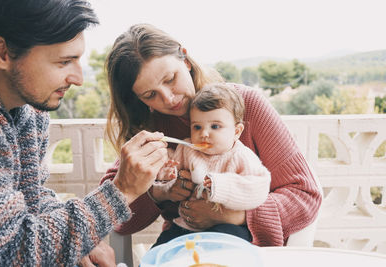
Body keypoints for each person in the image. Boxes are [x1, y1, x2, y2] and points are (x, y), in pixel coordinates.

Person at [101, 23, 322, 247]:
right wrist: (159, 194)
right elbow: (115, 220)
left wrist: (233, 215)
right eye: (150, 95)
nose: (168, 99)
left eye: (170, 79)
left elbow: (305, 195)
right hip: (184, 245)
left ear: (185, 60)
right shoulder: (152, 130)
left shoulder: (247, 106)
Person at [0, 2, 168, 266]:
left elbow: (32, 198)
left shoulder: (29, 111)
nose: (79, 78)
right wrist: (121, 190)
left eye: (78, 59)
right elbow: (8, 252)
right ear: (1, 52)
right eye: (64, 61)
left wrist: (83, 241)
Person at [152, 83, 271, 247]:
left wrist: (220, 185)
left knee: (231, 244)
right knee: (162, 247)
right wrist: (166, 176)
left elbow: (259, 189)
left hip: (227, 227)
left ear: (236, 132)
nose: (204, 134)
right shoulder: (187, 150)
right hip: (185, 226)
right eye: (197, 127)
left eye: (215, 126)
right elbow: (170, 180)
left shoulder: (241, 156)